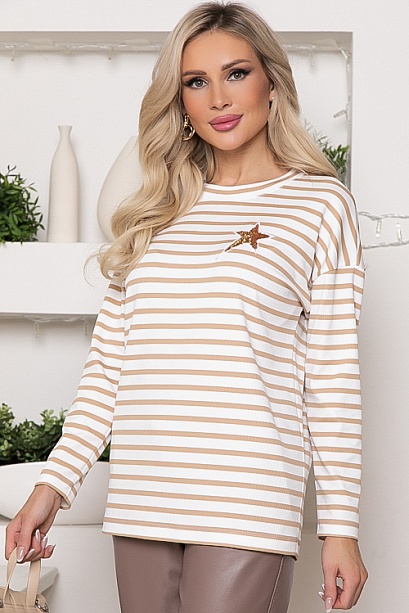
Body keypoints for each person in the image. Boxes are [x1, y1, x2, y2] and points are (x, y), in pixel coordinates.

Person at [5, 2, 368, 612]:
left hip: (247, 503)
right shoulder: (157, 211)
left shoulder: (320, 206)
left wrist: (340, 526)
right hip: (141, 502)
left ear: (272, 83)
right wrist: (53, 485)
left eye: (236, 73)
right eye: (196, 82)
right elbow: (109, 369)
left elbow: (332, 377)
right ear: (180, 102)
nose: (219, 98)